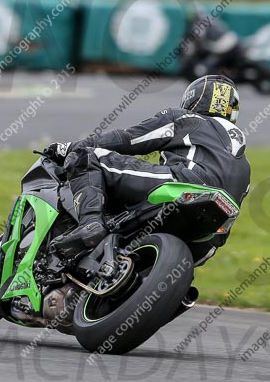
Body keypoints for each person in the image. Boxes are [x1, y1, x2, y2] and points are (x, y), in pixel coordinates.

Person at [44, 74, 251, 261]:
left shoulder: (186, 119)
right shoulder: (245, 164)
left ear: (193, 99)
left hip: (183, 185)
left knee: (86, 156)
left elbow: (127, 140)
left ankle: (89, 223)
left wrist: (68, 147)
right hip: (207, 240)